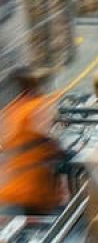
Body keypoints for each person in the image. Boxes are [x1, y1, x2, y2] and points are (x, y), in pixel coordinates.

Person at [0, 68, 63, 215]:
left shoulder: (10, 111)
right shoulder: (34, 106)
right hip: (31, 193)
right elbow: (47, 138)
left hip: (9, 193)